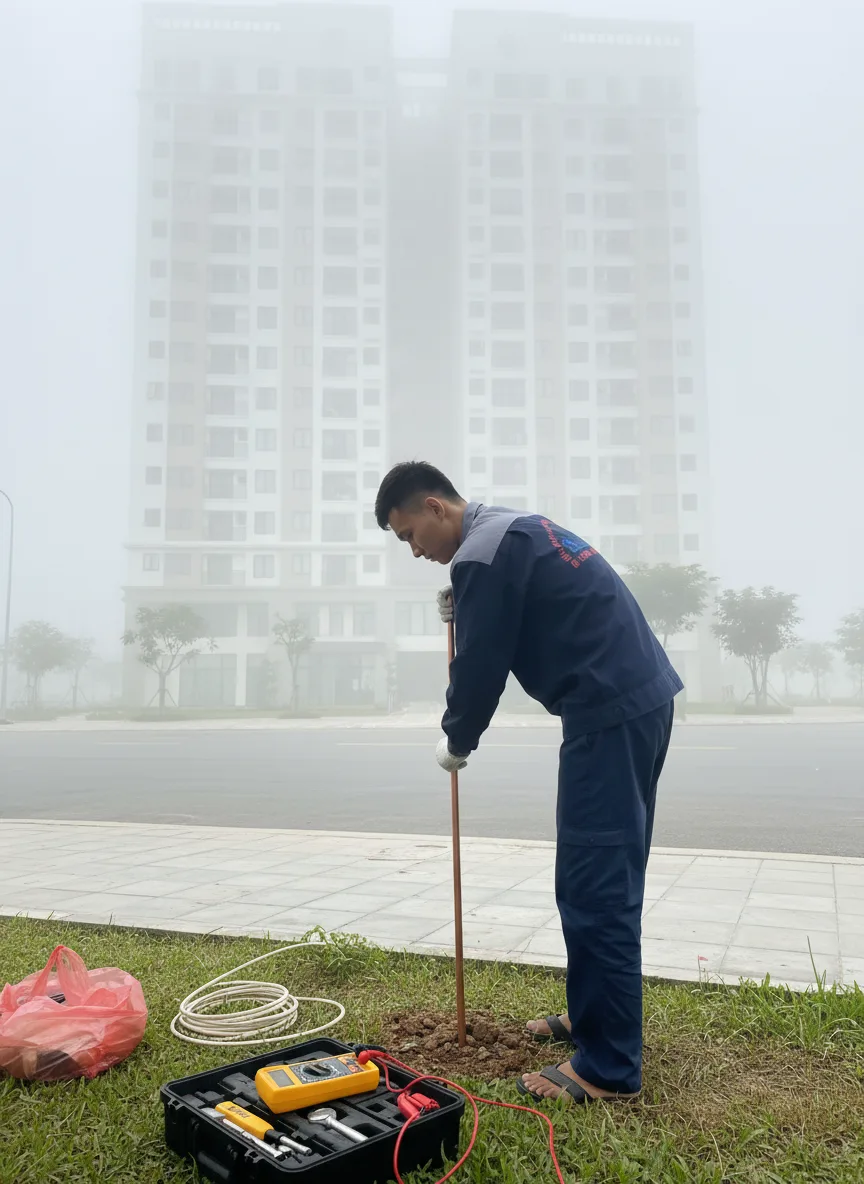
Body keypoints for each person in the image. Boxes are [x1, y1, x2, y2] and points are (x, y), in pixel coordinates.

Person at [375, 460, 682, 1105]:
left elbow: (483, 665)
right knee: (593, 877)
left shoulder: (482, 555)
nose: (414, 551)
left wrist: (456, 738)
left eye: (409, 535)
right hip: (631, 700)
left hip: (610, 710)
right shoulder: (508, 532)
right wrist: (469, 599)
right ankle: (592, 1015)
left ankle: (608, 1069)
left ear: (434, 507)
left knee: (596, 886)